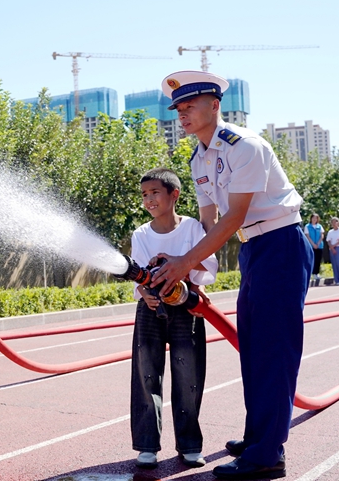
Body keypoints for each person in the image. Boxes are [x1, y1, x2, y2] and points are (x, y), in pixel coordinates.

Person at [151, 70, 312, 480]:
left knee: (273, 351)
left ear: (215, 105)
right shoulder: (198, 159)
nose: (182, 114)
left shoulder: (245, 146)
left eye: (190, 106)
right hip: (253, 249)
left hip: (280, 244)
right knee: (254, 349)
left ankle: (268, 455)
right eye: (178, 109)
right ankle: (259, 436)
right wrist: (188, 266)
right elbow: (210, 223)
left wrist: (184, 262)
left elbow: (234, 215)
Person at [128, 168, 218, 470]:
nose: (149, 199)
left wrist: (190, 278)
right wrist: (145, 293)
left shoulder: (192, 227)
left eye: (155, 192)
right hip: (150, 309)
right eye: (144, 194)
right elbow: (139, 274)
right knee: (146, 375)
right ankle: (147, 446)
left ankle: (190, 445)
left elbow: (208, 263)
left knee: (188, 376)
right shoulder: (141, 234)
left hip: (186, 308)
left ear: (174, 194)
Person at [326, 217, 339, 286]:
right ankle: (337, 280)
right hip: (332, 249)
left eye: (336, 221)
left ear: (338, 222)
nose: (334, 223)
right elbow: (328, 240)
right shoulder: (330, 232)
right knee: (334, 265)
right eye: (333, 222)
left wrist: (334, 245)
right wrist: (332, 248)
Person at [305, 214, 324, 287]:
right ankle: (311, 273)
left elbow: (322, 235)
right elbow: (307, 236)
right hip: (311, 246)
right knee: (311, 260)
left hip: (319, 246)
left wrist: (318, 243)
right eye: (313, 218)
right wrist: (313, 244)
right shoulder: (307, 226)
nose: (314, 219)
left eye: (316, 218)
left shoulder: (319, 226)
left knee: (318, 260)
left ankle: (316, 273)